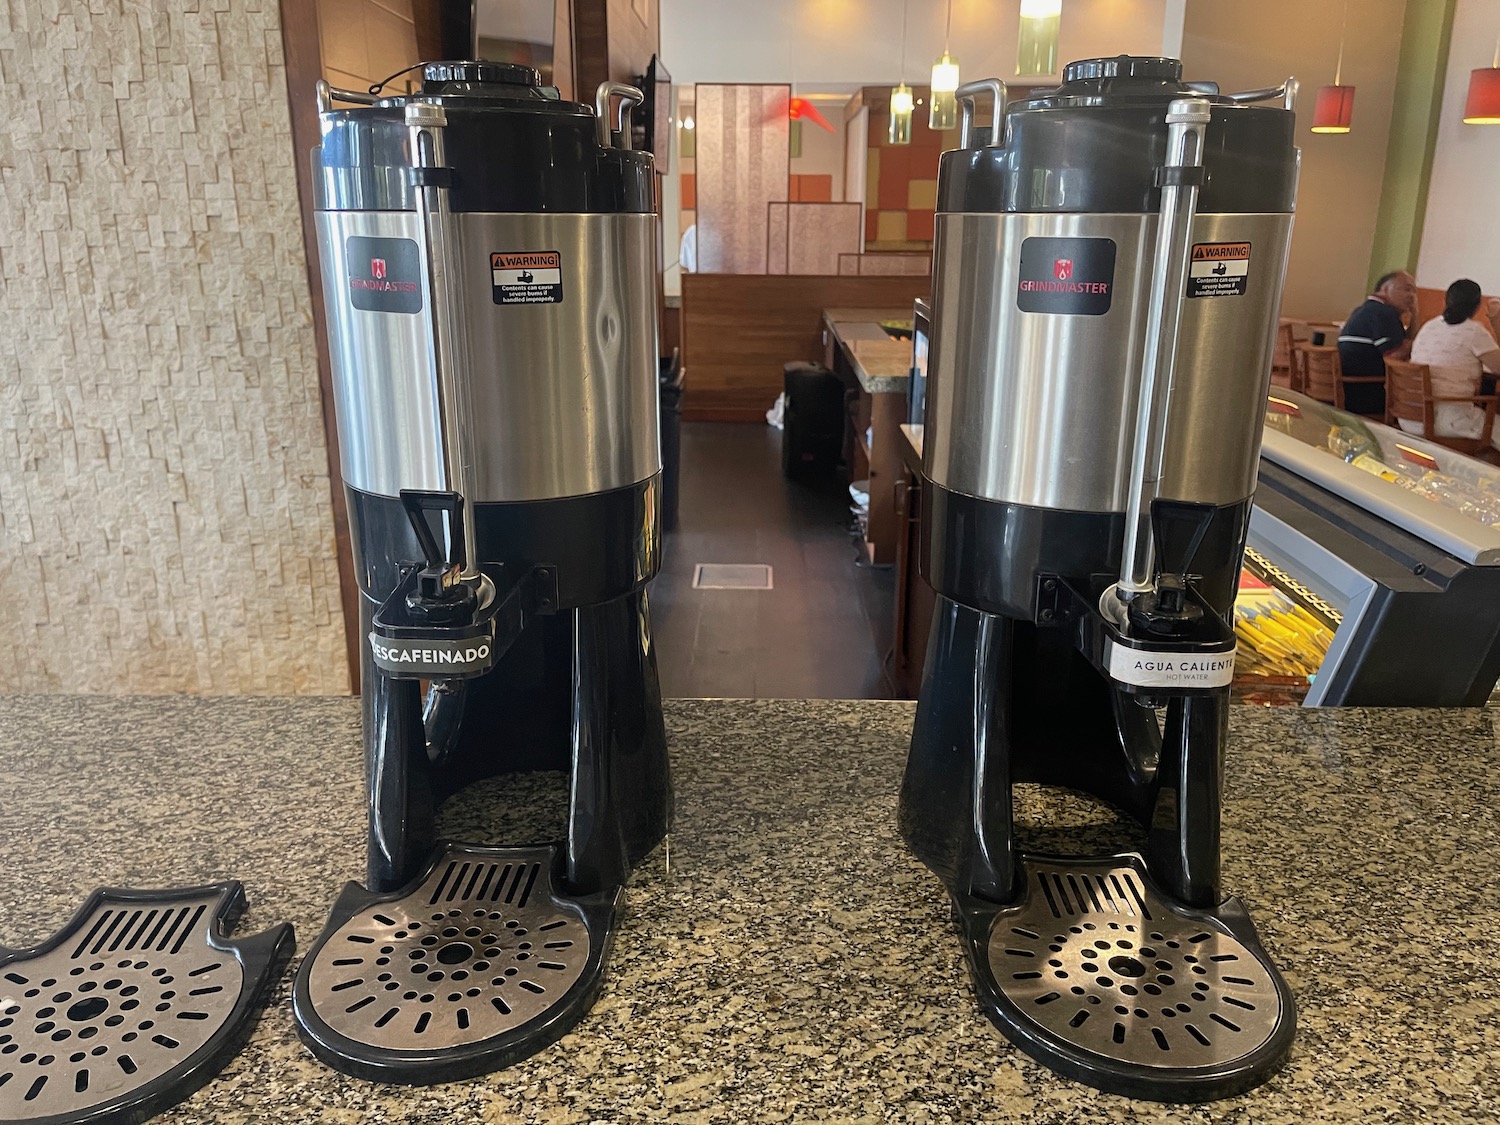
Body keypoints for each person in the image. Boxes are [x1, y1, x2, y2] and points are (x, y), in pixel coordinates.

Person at [1403, 279, 1500, 451]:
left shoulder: (1429, 327)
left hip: (1409, 416)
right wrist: (1496, 322)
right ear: (1477, 306)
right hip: (1446, 421)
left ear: (1446, 300)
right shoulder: (1474, 331)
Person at [1337, 269, 1417, 416]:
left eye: (1414, 291)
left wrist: (1413, 315)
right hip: (1368, 394)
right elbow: (1394, 358)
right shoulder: (1383, 313)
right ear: (1386, 289)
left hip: (1348, 390)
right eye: (1407, 289)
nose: (1412, 296)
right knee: (1421, 403)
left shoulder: (1363, 310)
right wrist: (1417, 342)